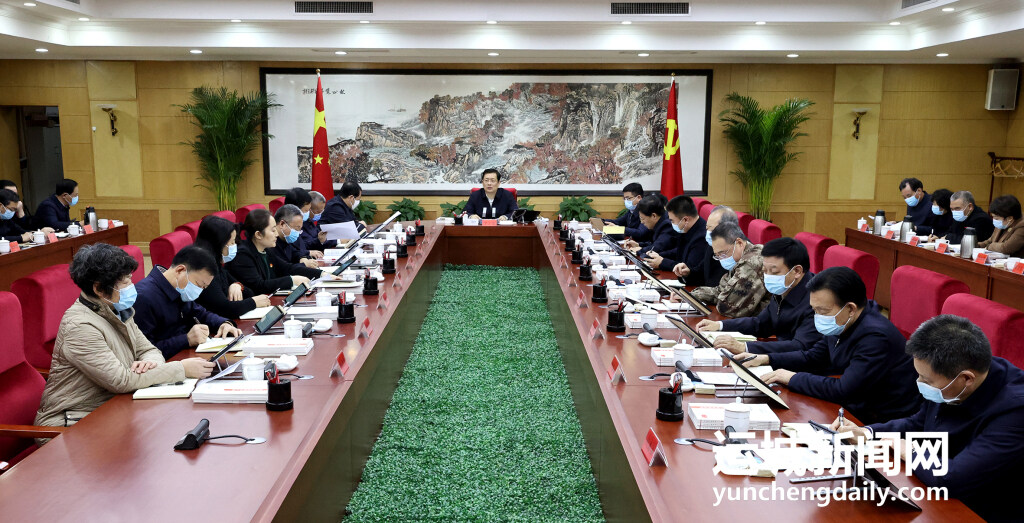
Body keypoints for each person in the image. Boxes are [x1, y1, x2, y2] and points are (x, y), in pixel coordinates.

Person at [831, 315, 1024, 522]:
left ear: (966, 379)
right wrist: (867, 433)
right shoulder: (954, 377)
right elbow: (918, 422)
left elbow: (952, 478)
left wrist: (910, 450)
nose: (919, 383)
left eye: (927, 380)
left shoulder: (1016, 409)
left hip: (982, 509)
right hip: (934, 488)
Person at [34, 244, 214, 433]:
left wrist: (149, 363)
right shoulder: (80, 326)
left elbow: (149, 349)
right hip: (71, 421)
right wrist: (181, 369)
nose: (131, 286)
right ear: (99, 288)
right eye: (125, 282)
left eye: (130, 279)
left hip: (113, 406)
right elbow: (120, 380)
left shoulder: (118, 309)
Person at [736, 266, 921, 424]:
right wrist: (767, 359)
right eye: (814, 310)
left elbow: (844, 390)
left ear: (850, 308)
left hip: (884, 421)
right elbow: (813, 357)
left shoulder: (875, 337)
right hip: (858, 407)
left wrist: (792, 378)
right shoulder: (844, 321)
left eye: (822, 311)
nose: (817, 317)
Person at [697, 237, 821, 354]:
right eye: (765, 271)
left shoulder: (817, 301)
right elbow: (760, 324)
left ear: (797, 271)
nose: (768, 276)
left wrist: (744, 347)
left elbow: (800, 346)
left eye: (774, 271)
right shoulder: (784, 287)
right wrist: (720, 325)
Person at [133, 245, 242, 359]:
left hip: (187, 356)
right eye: (199, 285)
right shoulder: (143, 297)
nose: (199, 291)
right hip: (166, 362)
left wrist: (224, 324)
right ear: (180, 270)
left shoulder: (179, 288)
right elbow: (143, 352)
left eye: (204, 288)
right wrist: (186, 339)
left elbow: (201, 314)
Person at [193, 215, 272, 319]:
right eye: (232, 242)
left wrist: (237, 285)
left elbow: (248, 292)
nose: (235, 246)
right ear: (219, 243)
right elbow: (224, 309)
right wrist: (254, 302)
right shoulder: (204, 268)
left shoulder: (217, 264)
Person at [689, 222, 769, 318]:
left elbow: (728, 309)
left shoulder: (751, 263)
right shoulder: (741, 257)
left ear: (739, 243)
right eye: (717, 255)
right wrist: (691, 296)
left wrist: (723, 298)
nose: (721, 259)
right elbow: (721, 290)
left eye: (723, 253)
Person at [227, 208, 314, 295]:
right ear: (258, 234)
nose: (277, 234)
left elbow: (287, 268)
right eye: (273, 230)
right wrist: (292, 280)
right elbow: (259, 286)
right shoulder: (243, 255)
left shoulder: (266, 250)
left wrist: (320, 274)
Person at [643, 195, 708, 279]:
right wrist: (659, 256)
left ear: (685, 220)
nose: (671, 224)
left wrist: (662, 262)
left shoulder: (702, 237)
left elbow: (688, 268)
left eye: (672, 221)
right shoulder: (686, 227)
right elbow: (679, 251)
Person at [688, 205, 735, 287]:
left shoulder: (738, 250)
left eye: (712, 229)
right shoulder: (712, 245)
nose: (708, 233)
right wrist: (687, 273)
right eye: (707, 228)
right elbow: (701, 273)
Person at [274, 204, 323, 272]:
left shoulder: (285, 238)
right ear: (282, 224)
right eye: (296, 228)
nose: (298, 232)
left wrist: (302, 258)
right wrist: (304, 264)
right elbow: (283, 269)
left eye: (300, 229)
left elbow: (294, 252)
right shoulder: (271, 243)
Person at [284, 187, 323, 260]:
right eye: (306, 210)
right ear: (295, 209)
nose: (308, 213)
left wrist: (307, 253)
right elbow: (289, 254)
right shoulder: (285, 227)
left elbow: (301, 249)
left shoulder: (300, 223)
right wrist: (307, 253)